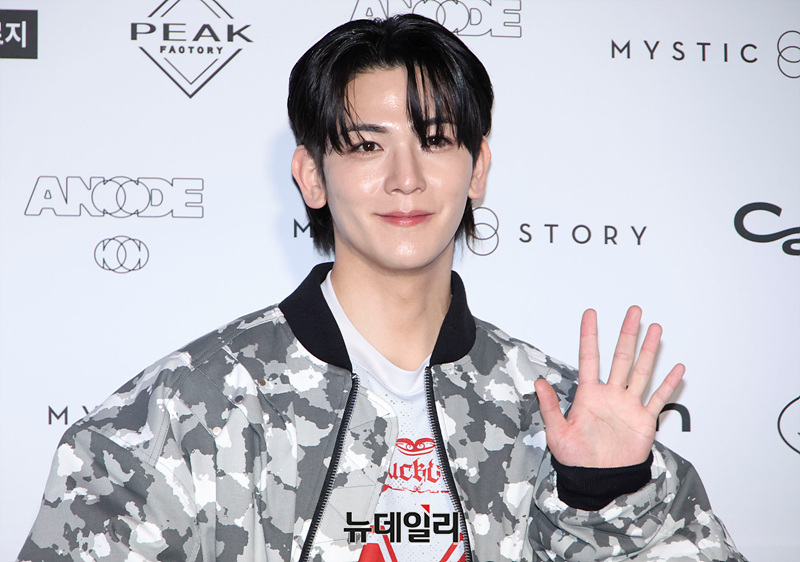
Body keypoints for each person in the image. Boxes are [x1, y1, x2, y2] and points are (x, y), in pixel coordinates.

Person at [18, 14, 746, 562]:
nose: (406, 177)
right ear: (311, 176)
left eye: (436, 139)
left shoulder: (555, 414)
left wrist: (607, 494)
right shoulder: (185, 412)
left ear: (477, 169)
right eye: (367, 145)